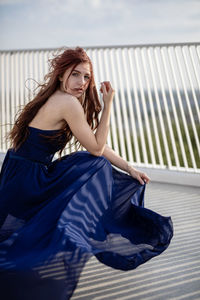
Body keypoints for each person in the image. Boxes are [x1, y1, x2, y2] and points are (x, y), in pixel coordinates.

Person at [0, 47, 173, 300]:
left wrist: (129, 167)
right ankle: (87, 229)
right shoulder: (67, 102)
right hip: (28, 180)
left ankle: (72, 229)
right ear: (61, 75)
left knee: (92, 165)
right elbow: (96, 148)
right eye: (75, 75)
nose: (81, 82)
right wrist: (108, 105)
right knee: (93, 165)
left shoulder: (62, 98)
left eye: (86, 77)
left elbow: (96, 144)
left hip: (21, 173)